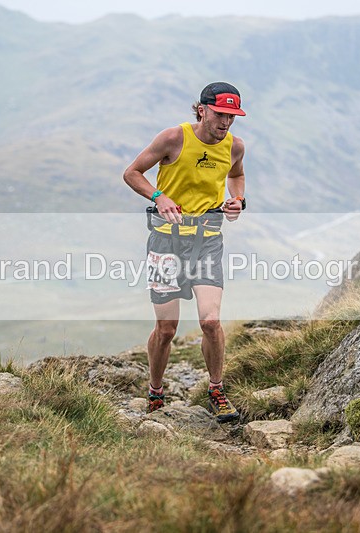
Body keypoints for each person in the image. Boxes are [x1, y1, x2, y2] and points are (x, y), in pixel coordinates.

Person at [123, 81, 247, 422]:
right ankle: (155, 393)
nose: (225, 123)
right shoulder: (173, 138)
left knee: (209, 321)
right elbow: (132, 173)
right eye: (220, 115)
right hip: (166, 243)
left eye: (232, 117)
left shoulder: (235, 146)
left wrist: (238, 201)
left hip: (207, 241)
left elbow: (236, 175)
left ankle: (217, 389)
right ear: (202, 109)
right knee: (166, 329)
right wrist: (158, 197)